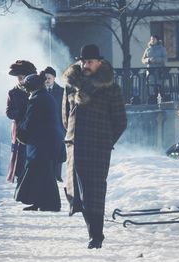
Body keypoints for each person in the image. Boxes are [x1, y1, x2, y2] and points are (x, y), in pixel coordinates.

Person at [62, 44, 127, 249]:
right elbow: (65, 116)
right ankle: (93, 232)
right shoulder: (71, 85)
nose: (85, 65)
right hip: (76, 145)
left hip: (98, 146)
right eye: (83, 61)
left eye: (90, 61)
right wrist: (71, 134)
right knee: (78, 192)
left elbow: (120, 121)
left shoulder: (110, 87)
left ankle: (96, 236)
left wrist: (106, 140)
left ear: (100, 62)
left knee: (95, 191)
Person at [14, 73, 64, 212]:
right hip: (47, 141)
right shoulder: (43, 96)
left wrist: (21, 134)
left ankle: (50, 204)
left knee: (42, 173)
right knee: (43, 173)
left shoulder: (37, 99)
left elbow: (30, 121)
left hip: (42, 143)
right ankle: (42, 203)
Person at [6, 60, 37, 184]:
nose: (20, 80)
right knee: (20, 158)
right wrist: (21, 113)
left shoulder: (35, 90)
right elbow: (9, 112)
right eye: (18, 77)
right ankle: (21, 183)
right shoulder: (12, 92)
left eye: (22, 77)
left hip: (34, 129)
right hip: (20, 129)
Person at [44, 66, 66, 182]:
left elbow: (65, 109)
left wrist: (65, 126)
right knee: (47, 151)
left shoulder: (61, 91)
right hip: (45, 127)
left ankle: (57, 174)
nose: (47, 80)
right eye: (45, 78)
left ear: (54, 78)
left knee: (59, 151)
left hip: (58, 126)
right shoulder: (40, 91)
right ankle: (49, 174)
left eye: (49, 78)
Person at [141, 35, 167, 104]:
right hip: (150, 71)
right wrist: (149, 60)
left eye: (154, 39)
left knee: (160, 86)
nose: (152, 40)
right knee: (151, 87)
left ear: (157, 40)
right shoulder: (148, 49)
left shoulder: (162, 49)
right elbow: (143, 60)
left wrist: (156, 60)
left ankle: (162, 100)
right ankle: (151, 101)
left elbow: (165, 59)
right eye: (151, 39)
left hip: (159, 71)